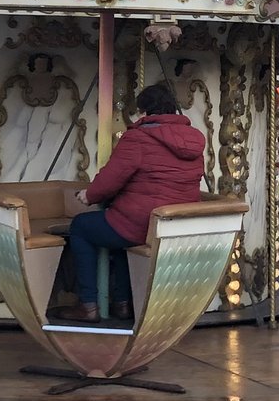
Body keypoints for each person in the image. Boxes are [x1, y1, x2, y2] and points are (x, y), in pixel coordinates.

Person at [65, 84, 206, 323]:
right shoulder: (194, 139)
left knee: (82, 227)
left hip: (142, 224)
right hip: (175, 226)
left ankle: (87, 304)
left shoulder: (139, 138)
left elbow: (111, 179)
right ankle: (122, 303)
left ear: (144, 111)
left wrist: (89, 195)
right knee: (121, 235)